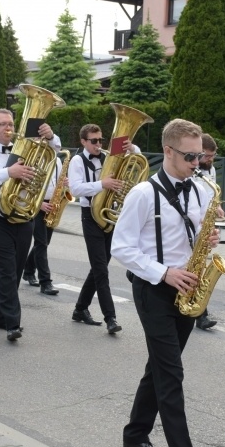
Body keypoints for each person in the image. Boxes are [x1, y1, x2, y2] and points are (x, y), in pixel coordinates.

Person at [112, 118, 219, 447]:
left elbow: (195, 235)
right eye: (190, 157)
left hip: (188, 288)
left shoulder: (201, 190)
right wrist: (164, 272)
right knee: (171, 374)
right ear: (168, 151)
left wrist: (209, 239)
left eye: (200, 156)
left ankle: (134, 436)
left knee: (159, 367)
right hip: (154, 289)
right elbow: (121, 247)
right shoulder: (143, 194)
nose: (197, 163)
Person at [0, 108, 60, 342]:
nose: (8, 128)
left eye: (10, 123)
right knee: (6, 272)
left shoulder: (25, 149)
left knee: (16, 271)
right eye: (2, 124)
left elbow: (54, 152)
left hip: (23, 218)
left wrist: (50, 137)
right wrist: (8, 172)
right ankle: (13, 323)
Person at [68, 123, 137, 334]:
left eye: (100, 140)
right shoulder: (77, 161)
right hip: (90, 215)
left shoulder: (108, 156)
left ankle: (80, 308)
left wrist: (132, 149)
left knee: (100, 266)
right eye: (94, 141)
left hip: (109, 214)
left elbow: (134, 160)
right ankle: (111, 318)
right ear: (83, 142)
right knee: (101, 270)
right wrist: (102, 184)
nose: (99, 144)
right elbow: (75, 189)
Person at [192, 133, 223, 331]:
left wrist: (217, 207)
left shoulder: (210, 169)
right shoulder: (190, 170)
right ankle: (200, 314)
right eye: (207, 156)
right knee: (195, 268)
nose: (210, 160)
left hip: (204, 226)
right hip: (193, 225)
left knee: (199, 268)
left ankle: (199, 312)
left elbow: (212, 195)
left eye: (213, 156)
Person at [22, 152, 64, 296]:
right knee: (41, 243)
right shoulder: (34, 157)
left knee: (44, 242)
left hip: (51, 204)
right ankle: (45, 282)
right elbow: (25, 186)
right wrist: (39, 204)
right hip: (35, 205)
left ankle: (28, 271)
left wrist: (64, 184)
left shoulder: (58, 160)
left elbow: (57, 182)